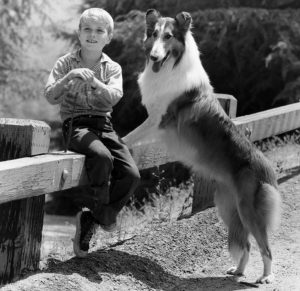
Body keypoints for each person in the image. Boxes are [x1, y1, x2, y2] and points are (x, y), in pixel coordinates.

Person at [44, 8, 140, 258]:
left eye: (99, 31)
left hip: (104, 125)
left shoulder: (113, 68)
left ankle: (95, 217)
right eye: (87, 29)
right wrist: (69, 78)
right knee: (102, 157)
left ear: (108, 37)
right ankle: (98, 215)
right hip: (76, 125)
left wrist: (95, 82)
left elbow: (114, 98)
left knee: (131, 174)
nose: (92, 35)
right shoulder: (65, 63)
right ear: (79, 33)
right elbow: (50, 96)